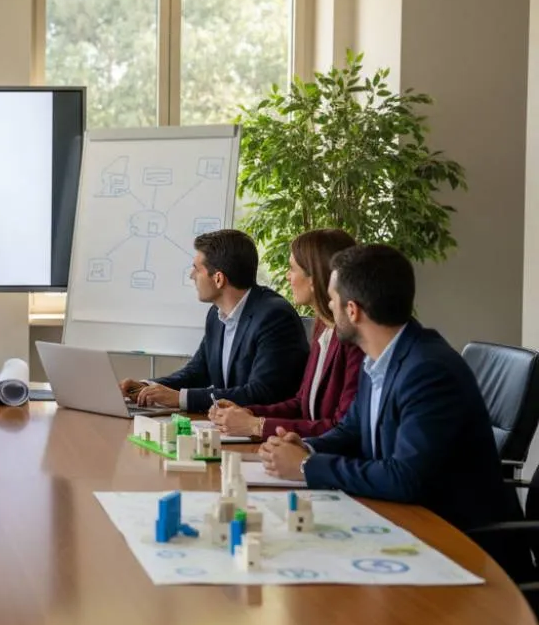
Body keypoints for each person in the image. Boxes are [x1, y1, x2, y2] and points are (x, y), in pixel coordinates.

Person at [259, 244, 520, 533]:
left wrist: (308, 466)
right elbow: (352, 429)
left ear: (352, 311)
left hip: (453, 537)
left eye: (332, 299)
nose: (328, 307)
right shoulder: (378, 357)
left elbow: (407, 477)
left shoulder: (428, 371)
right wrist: (306, 447)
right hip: (396, 517)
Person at [121, 229, 307, 413]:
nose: (191, 275)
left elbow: (262, 393)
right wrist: (146, 387)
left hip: (267, 428)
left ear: (218, 279)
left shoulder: (274, 316)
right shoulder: (216, 314)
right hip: (228, 425)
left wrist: (180, 398)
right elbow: (198, 372)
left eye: (196, 269)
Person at [210, 228, 364, 439]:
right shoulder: (323, 327)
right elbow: (301, 404)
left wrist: (257, 426)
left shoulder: (353, 339)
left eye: (292, 268)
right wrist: (248, 413)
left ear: (314, 277)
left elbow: (342, 427)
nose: (287, 276)